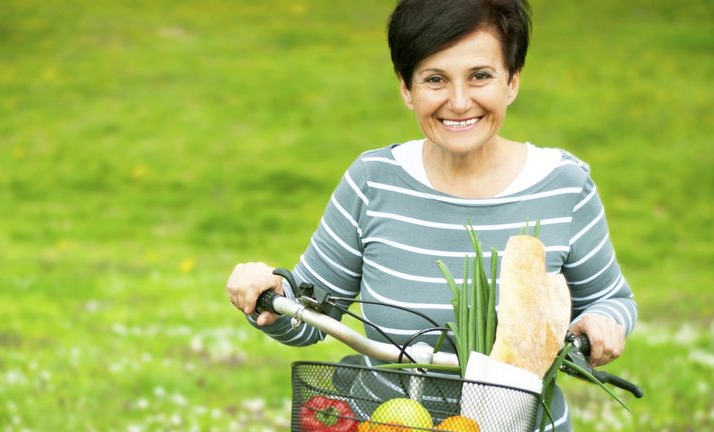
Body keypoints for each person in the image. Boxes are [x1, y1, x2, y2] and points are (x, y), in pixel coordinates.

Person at [226, 0, 638, 430]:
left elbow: (613, 300)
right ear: (407, 88)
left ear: (512, 81)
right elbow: (312, 317)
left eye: (480, 76)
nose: (459, 102)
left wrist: (604, 321)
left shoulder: (563, 186)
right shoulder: (373, 181)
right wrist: (268, 297)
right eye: (435, 79)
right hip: (384, 425)